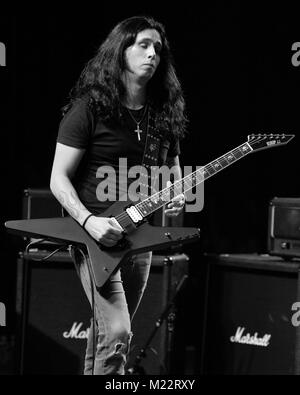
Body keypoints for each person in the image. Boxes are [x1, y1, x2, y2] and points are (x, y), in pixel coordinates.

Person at [50, 15, 187, 375]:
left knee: (106, 337)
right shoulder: (89, 109)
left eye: (157, 48)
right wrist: (89, 221)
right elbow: (58, 179)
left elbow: (173, 171)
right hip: (93, 237)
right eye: (142, 44)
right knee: (117, 331)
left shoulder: (163, 114)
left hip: (139, 238)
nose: (152, 54)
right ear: (120, 50)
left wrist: (176, 195)